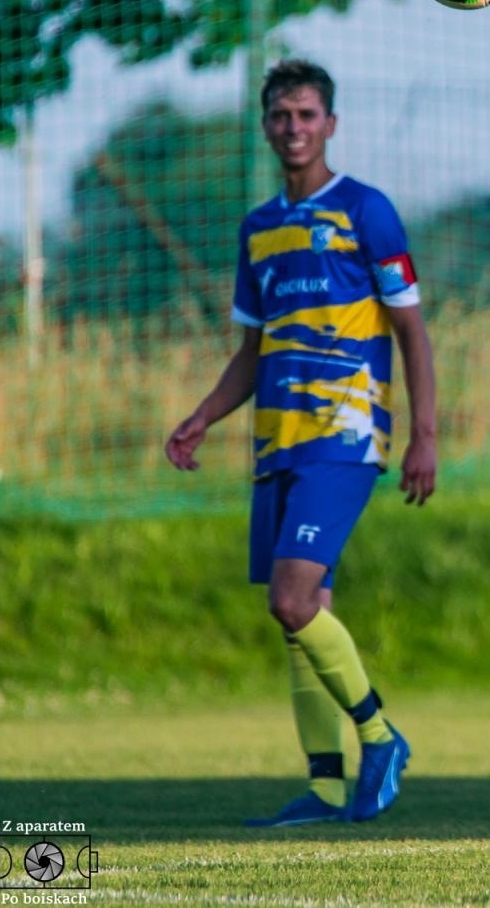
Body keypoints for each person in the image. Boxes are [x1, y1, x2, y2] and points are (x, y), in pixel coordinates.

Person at [165, 59, 437, 827]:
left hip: (344, 438)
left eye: (308, 115)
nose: (294, 128)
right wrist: (202, 416)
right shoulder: (258, 229)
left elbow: (412, 331)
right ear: (266, 125)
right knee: (302, 611)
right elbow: (252, 352)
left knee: (292, 599)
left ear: (331, 124)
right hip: (275, 441)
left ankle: (380, 736)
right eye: (282, 116)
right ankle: (323, 787)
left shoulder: (366, 211)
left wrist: (425, 435)